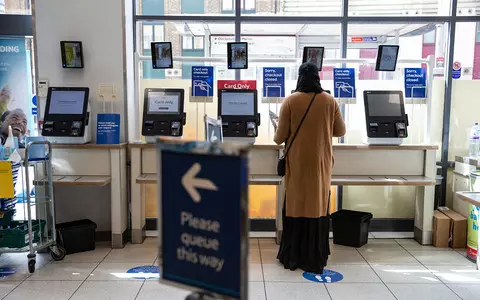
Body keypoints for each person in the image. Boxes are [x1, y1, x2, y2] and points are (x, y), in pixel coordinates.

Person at [274, 62, 346, 274]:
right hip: (320, 164)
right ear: (318, 77)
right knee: (317, 205)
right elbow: (340, 131)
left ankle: (293, 256)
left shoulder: (290, 101)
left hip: (297, 164)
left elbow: (279, 138)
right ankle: (315, 256)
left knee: (296, 204)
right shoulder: (329, 101)